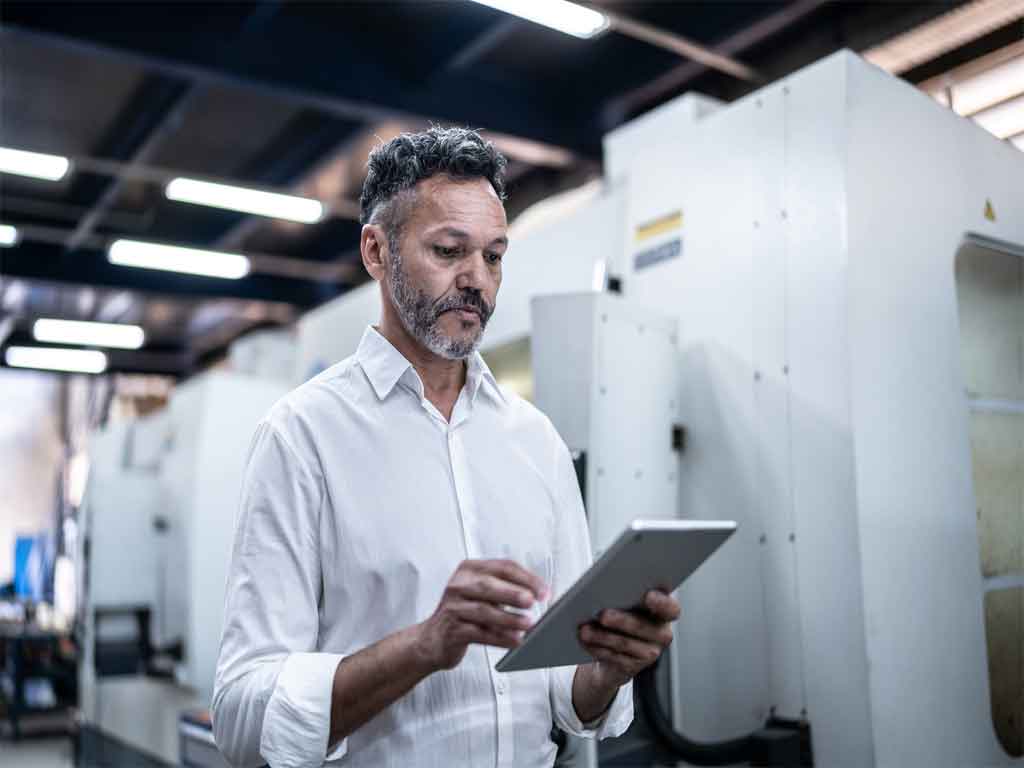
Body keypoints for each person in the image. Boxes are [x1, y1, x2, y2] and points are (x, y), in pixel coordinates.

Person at [211, 126, 681, 768]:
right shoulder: (302, 437)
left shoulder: (533, 440)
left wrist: (608, 668)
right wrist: (426, 645)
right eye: (448, 250)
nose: (477, 282)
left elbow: (566, 697)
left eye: (493, 256)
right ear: (376, 252)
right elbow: (242, 718)